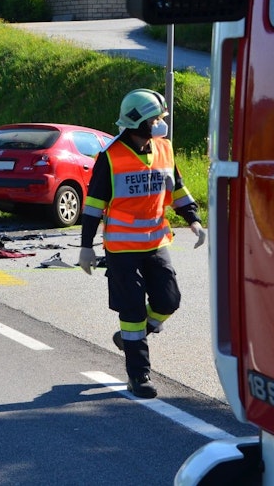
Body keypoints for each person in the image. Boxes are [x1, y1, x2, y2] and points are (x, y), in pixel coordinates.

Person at [78, 88, 206, 398]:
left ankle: (130, 339)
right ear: (138, 122)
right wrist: (86, 246)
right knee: (132, 312)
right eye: (155, 119)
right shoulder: (110, 157)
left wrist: (193, 219)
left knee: (168, 301)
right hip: (122, 250)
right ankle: (139, 375)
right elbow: (93, 205)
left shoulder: (164, 148)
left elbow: (177, 189)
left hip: (156, 243)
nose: (161, 123)